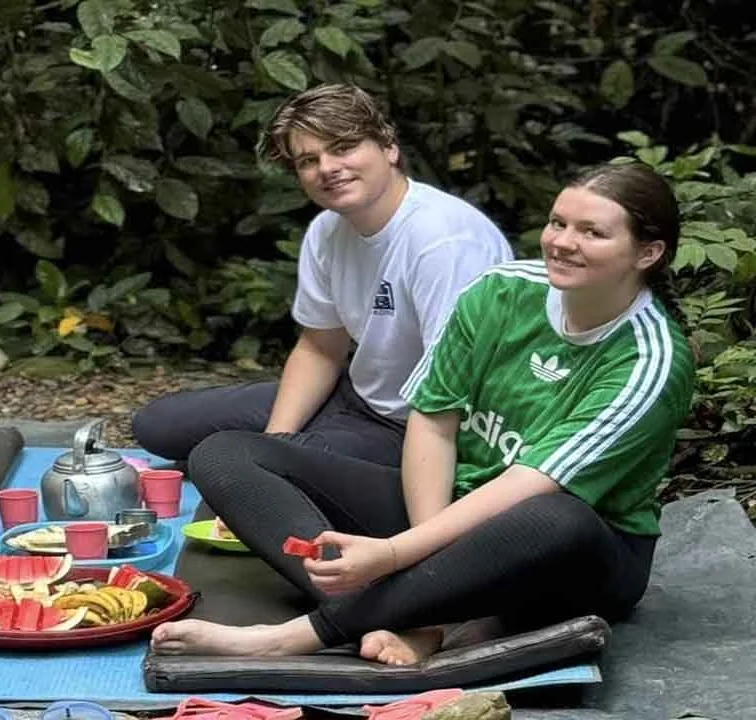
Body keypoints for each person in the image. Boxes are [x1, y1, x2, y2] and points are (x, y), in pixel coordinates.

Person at [150, 161, 696, 665]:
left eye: (592, 233)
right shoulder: (501, 291)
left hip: (568, 555)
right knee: (225, 452)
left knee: (559, 516)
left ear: (647, 253)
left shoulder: (650, 358)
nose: (563, 243)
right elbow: (433, 422)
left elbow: (532, 484)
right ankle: (420, 610)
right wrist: (419, 552)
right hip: (448, 512)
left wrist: (392, 555)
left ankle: (297, 636)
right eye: (558, 223)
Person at [132, 83, 513, 470]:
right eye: (308, 160)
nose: (328, 168)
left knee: (234, 473)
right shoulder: (328, 229)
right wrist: (277, 441)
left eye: (343, 147)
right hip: (357, 398)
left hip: (422, 427)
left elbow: (452, 394)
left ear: (389, 148)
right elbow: (320, 347)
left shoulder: (444, 239)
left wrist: (269, 463)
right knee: (158, 424)